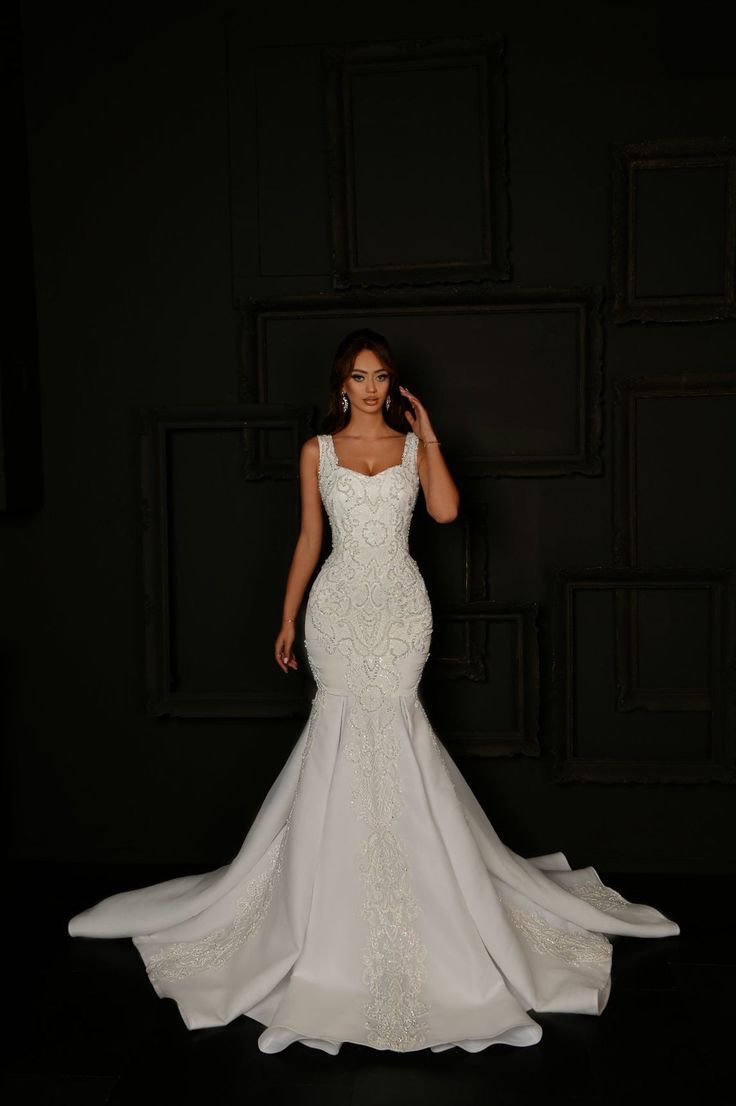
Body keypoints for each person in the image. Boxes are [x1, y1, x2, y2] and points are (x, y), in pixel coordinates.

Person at [68, 328, 680, 1054]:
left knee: (397, 733)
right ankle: (318, 922)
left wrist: (432, 438)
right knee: (337, 735)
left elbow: (447, 514)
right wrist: (289, 616)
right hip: (336, 609)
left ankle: (436, 911)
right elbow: (307, 538)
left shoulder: (414, 448)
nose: (370, 389)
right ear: (341, 385)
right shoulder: (316, 451)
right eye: (359, 377)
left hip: (399, 611)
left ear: (394, 385)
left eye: (381, 377)